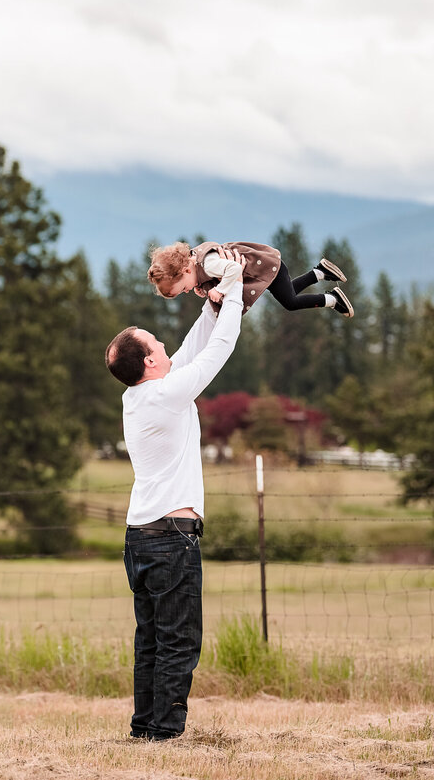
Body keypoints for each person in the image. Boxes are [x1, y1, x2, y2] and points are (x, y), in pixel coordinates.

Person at [104, 247, 245, 741]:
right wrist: (234, 290)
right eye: (155, 343)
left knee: (151, 640)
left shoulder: (140, 392)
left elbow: (188, 352)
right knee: (179, 641)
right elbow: (216, 352)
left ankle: (145, 728)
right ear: (147, 362)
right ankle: (164, 733)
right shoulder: (164, 393)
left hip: (141, 537)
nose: (164, 344)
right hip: (170, 538)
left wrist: (211, 304)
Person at [147, 240, 354, 318]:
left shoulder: (208, 264)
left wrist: (219, 291)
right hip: (265, 268)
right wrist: (204, 286)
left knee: (290, 302)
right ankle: (320, 272)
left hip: (265, 268)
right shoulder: (195, 258)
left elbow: (234, 268)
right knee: (288, 291)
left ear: (184, 271)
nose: (186, 291)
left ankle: (333, 299)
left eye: (182, 288)